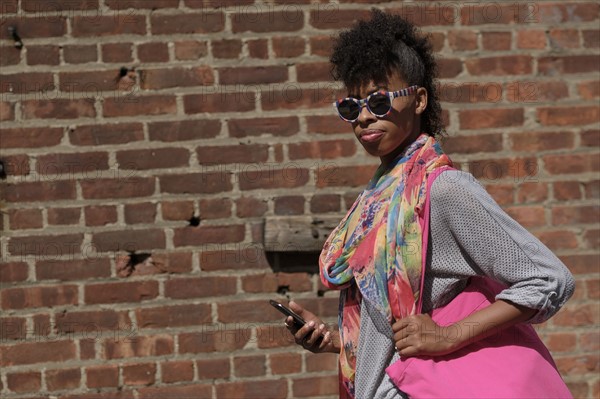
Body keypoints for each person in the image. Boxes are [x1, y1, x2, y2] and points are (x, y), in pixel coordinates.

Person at [281, 9, 575, 399]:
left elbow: (548, 279)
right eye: (351, 107)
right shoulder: (377, 199)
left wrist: (449, 335)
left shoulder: (442, 189)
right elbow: (396, 323)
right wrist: (338, 341)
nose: (365, 118)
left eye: (381, 101)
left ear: (418, 99)